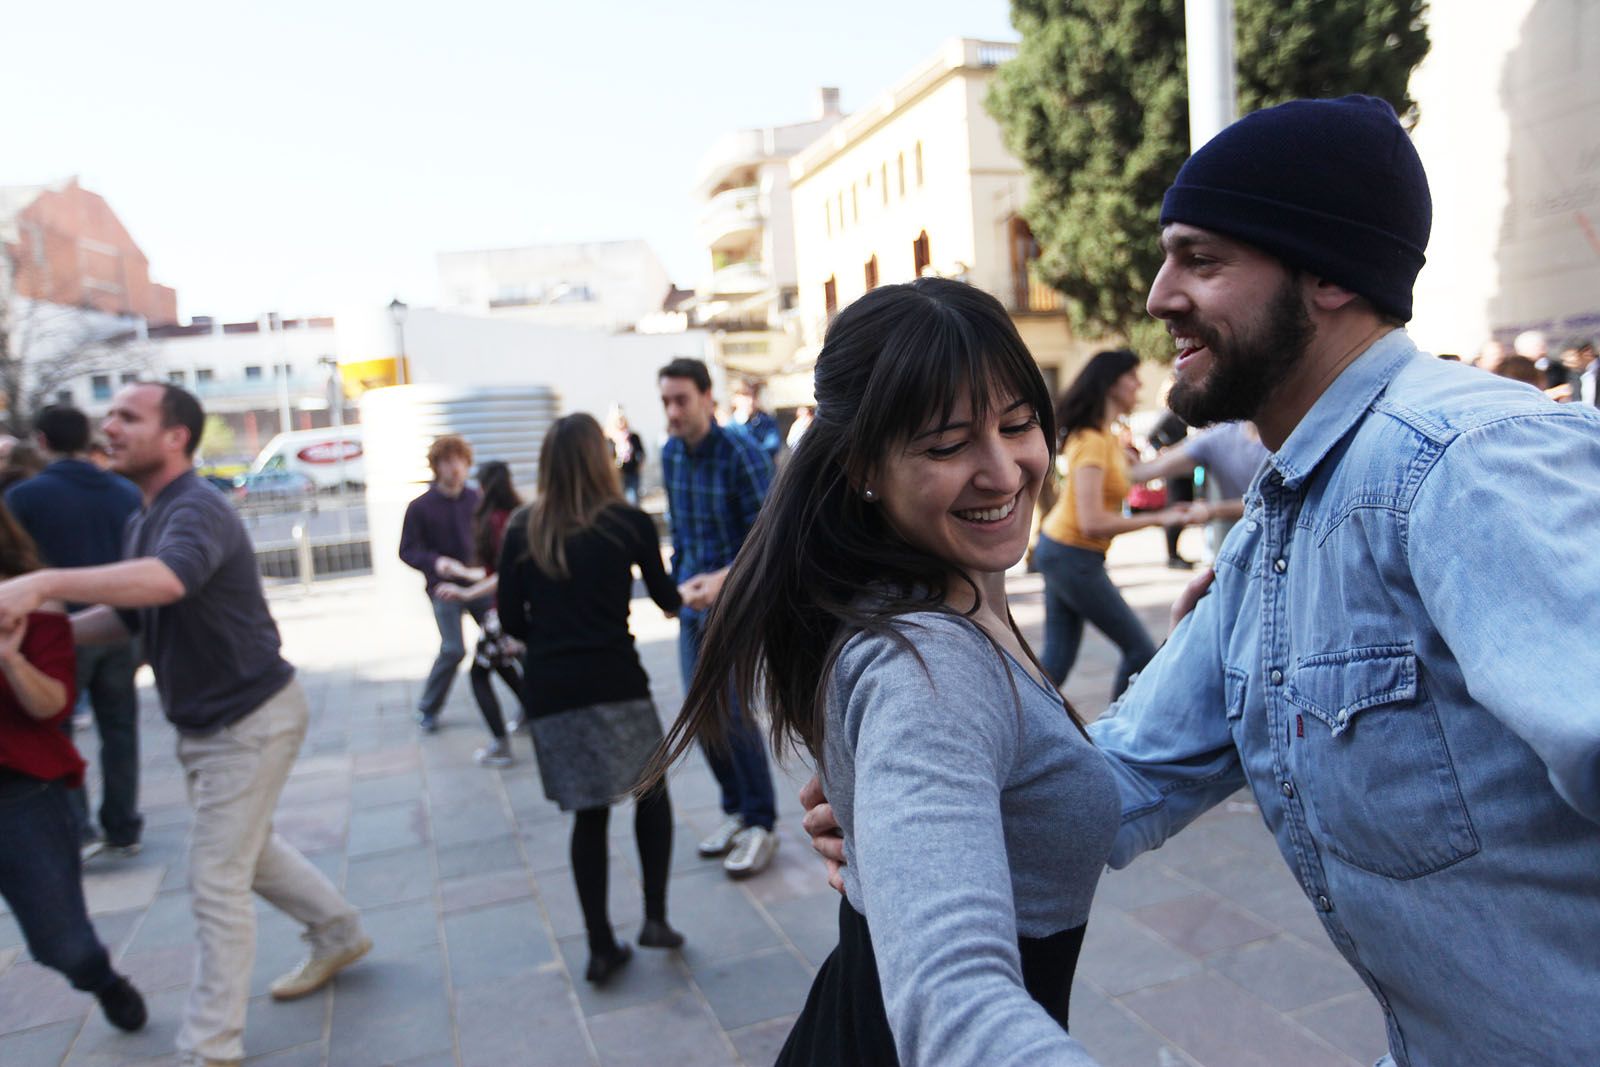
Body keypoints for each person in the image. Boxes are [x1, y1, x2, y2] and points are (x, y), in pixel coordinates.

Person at [807, 96, 1600, 1066]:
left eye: (1202, 259)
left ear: (1328, 275)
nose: (1156, 293)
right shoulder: (1280, 519)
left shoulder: (1464, 459)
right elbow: (1123, 779)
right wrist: (926, 808)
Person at [646, 278, 1112, 1065]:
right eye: (948, 444)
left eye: (1019, 423)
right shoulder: (926, 668)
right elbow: (952, 993)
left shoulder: (950, 601)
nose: (1003, 470)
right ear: (865, 467)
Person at [0, 383, 371, 1067]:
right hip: (211, 725)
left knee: (215, 878)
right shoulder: (144, 514)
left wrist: (42, 585)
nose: (109, 425)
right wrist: (43, 630)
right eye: (108, 415)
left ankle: (210, 1044)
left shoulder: (195, 506)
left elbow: (168, 581)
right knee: (248, 852)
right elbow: (137, 616)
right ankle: (338, 930)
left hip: (250, 720)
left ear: (176, 437)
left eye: (127, 417)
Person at [497, 414, 684, 985]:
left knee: (589, 814)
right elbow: (666, 600)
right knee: (650, 796)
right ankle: (655, 919)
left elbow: (511, 622)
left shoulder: (523, 529)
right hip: (617, 680)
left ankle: (601, 946)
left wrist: (554, 637)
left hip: (553, 690)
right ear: (599, 460)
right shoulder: (627, 522)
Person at [0, 504, 148, 1037]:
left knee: (63, 946)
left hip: (20, 794)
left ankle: (103, 980)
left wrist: (10, 659)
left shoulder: (25, 603)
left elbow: (52, 708)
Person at [657, 357, 781, 877]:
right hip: (692, 604)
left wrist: (723, 581)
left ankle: (760, 824)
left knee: (730, 711)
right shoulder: (669, 454)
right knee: (700, 713)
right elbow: (681, 530)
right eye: (665, 401)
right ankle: (734, 810)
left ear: (709, 398)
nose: (672, 412)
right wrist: (678, 581)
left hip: (735, 605)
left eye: (681, 400)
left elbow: (769, 539)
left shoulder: (743, 454)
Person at [6, 404, 144, 859]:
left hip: (56, 630)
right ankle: (123, 826)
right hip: (121, 625)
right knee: (120, 729)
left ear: (41, 442)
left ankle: (78, 828)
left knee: (58, 731)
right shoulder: (125, 491)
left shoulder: (25, 497)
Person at [1032, 349, 1198, 699]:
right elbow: (1092, 522)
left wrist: (1194, 454)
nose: (1140, 383)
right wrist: (1160, 518)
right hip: (1070, 552)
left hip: (1065, 551)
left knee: (1055, 663)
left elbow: (1133, 476)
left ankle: (1017, 730)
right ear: (1111, 384)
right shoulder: (1092, 442)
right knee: (1140, 652)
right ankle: (1116, 737)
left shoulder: (1106, 438)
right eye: (1133, 376)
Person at [435, 460, 525, 767]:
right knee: (500, 666)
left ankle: (502, 743)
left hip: (503, 612)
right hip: (510, 609)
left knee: (479, 674)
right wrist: (462, 572)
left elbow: (502, 575)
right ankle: (534, 715)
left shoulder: (497, 522)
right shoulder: (516, 516)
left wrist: (464, 592)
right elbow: (495, 573)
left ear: (484, 488)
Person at [399, 434, 487, 734]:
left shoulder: (477, 499)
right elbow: (407, 550)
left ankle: (530, 705)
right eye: (448, 462)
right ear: (437, 466)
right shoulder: (420, 507)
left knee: (505, 641)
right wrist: (436, 563)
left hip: (478, 584)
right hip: (444, 588)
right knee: (453, 649)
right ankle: (428, 707)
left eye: (460, 461)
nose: (455, 468)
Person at [1132, 420, 1270, 555]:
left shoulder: (1286, 440)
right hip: (1243, 550)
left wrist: (1211, 510)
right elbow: (1144, 471)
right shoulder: (1219, 436)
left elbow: (1272, 502)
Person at [729, 376, 783, 463]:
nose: (750, 401)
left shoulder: (767, 422)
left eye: (753, 395)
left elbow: (772, 447)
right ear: (734, 399)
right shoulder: (730, 428)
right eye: (745, 395)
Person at [606, 407, 646, 506]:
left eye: (622, 420)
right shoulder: (611, 439)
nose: (620, 423)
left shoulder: (633, 437)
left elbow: (641, 453)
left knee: (633, 500)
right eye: (618, 420)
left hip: (632, 471)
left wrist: (639, 466)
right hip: (619, 473)